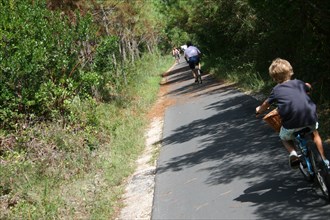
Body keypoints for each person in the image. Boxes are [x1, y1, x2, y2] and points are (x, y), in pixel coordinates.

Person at [255, 58, 329, 169]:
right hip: (309, 118)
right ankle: (324, 159)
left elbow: (266, 104)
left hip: (291, 124)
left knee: (284, 137)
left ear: (274, 78)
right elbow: (308, 87)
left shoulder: (276, 90)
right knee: (315, 133)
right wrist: (308, 87)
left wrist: (259, 110)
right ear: (290, 71)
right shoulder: (298, 83)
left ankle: (293, 153)